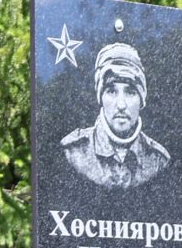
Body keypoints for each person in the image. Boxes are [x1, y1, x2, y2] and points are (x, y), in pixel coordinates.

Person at [62, 40, 170, 190]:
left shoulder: (158, 159)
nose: (121, 105)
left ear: (141, 99)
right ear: (101, 97)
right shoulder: (73, 152)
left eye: (131, 92)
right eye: (111, 91)